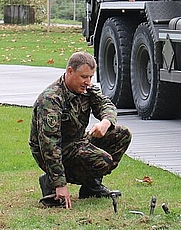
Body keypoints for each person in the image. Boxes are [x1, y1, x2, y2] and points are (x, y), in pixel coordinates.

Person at [29, 51, 132, 208]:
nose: (88, 81)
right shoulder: (51, 99)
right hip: (53, 150)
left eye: (91, 77)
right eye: (84, 77)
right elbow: (49, 144)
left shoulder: (87, 89)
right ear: (70, 71)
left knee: (121, 134)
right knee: (103, 161)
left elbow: (106, 105)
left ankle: (91, 186)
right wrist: (60, 184)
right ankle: (51, 181)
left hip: (77, 142)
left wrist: (105, 122)